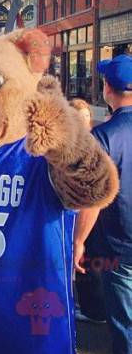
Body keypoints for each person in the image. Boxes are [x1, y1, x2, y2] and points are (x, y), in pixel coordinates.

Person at [75, 54, 132, 354]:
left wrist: (79, 241)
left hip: (118, 247)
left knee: (125, 325)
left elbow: (92, 198)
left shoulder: (104, 137)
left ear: (108, 88)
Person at [68, 98, 107, 325]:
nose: (83, 121)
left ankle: (93, 308)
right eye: (78, 117)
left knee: (87, 259)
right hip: (76, 210)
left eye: (85, 117)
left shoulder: (95, 140)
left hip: (90, 211)